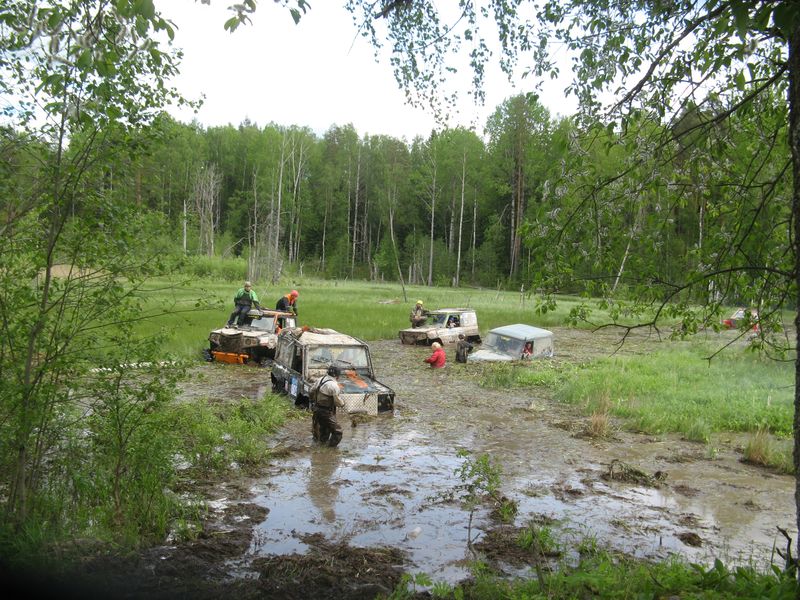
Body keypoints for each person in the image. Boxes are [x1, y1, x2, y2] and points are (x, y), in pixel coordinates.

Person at [311, 365, 345, 447]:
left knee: (324, 430)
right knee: (338, 432)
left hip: (316, 409)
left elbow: (311, 391)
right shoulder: (333, 385)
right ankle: (330, 450)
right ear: (337, 376)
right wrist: (343, 404)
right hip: (326, 411)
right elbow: (337, 402)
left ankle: (320, 447)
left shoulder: (320, 379)